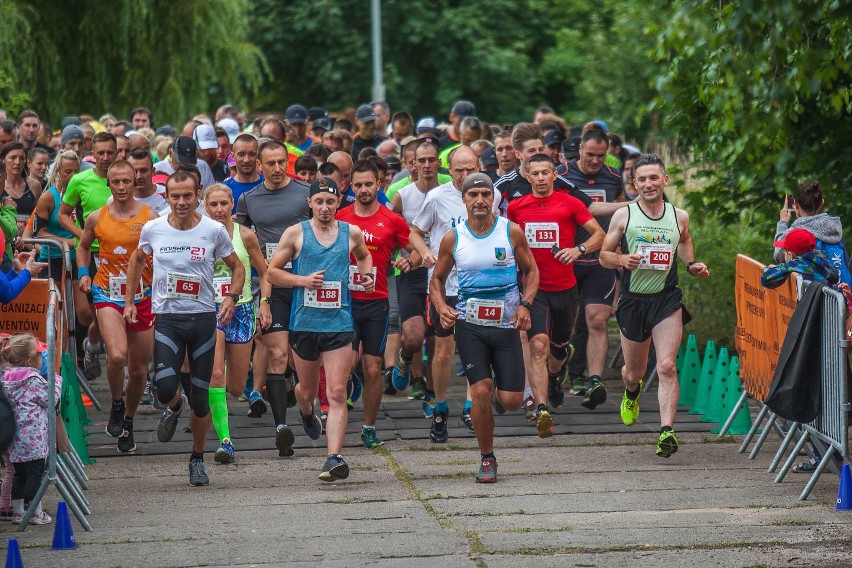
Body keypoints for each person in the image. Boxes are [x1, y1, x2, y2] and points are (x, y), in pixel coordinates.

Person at [124, 170, 245, 485]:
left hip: (204, 318)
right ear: (166, 196)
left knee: (202, 399)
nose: (180, 202)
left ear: (198, 194)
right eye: (174, 196)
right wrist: (130, 301)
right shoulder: (154, 229)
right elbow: (137, 259)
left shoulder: (213, 230)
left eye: (187, 196)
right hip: (168, 319)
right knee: (165, 388)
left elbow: (238, 267)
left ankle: (197, 459)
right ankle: (175, 407)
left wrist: (231, 297)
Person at [430, 173, 538, 482]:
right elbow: (436, 279)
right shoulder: (454, 237)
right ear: (463, 200)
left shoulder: (511, 232)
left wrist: (525, 304)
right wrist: (441, 308)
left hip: (506, 326)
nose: (479, 200)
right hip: (469, 325)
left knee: (511, 401)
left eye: (485, 194)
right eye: (472, 195)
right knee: (480, 390)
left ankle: (492, 402)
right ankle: (487, 457)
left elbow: (532, 271)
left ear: (494, 199)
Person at [600, 153, 710, 458]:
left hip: (666, 300)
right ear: (634, 183)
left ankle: (666, 431)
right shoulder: (624, 216)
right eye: (642, 179)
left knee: (666, 366)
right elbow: (603, 256)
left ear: (665, 180)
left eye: (653, 178)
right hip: (633, 302)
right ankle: (631, 393)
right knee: (633, 372)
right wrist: (622, 259)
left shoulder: (679, 216)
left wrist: (692, 265)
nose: (648, 184)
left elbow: (685, 240)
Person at [267, 177, 374, 481]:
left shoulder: (350, 232)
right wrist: (303, 281)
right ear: (309, 204)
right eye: (319, 202)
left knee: (337, 392)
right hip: (304, 324)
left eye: (330, 201)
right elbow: (272, 272)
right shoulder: (296, 234)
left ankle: (333, 458)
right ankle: (304, 411)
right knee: (308, 391)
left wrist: (365, 276)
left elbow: (364, 256)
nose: (325, 207)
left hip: (339, 322)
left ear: (339, 202)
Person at [507, 154, 606, 436]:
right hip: (534, 289)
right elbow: (509, 239)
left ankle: (554, 375)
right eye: (535, 173)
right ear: (527, 176)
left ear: (553, 175)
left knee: (558, 347)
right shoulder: (516, 208)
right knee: (537, 345)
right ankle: (541, 409)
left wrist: (579, 250)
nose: (540, 178)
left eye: (545, 173)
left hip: (565, 288)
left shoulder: (570, 203)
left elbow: (598, 234)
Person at [408, 146, 502, 442]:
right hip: (445, 287)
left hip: (481, 287)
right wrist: (424, 252)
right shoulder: (437, 197)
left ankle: (473, 405)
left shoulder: (491, 194)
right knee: (444, 352)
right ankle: (440, 405)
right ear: (448, 169)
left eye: (469, 169)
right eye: (458, 170)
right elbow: (414, 231)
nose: (464, 175)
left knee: (478, 350)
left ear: (479, 166)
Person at [335, 161, 419, 448]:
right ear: (350, 186)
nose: (363, 190)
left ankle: (368, 427)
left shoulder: (392, 219)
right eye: (357, 185)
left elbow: (415, 251)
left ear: (378, 184)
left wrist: (410, 261)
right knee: (346, 364)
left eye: (368, 184)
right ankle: (339, 411)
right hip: (343, 302)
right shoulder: (340, 217)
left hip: (376, 303)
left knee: (373, 368)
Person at [77, 160, 158, 453]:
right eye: (116, 182)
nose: (122, 187)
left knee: (138, 371)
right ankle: (116, 402)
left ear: (135, 181)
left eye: (127, 181)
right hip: (107, 293)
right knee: (117, 355)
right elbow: (83, 247)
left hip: (142, 296)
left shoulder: (151, 218)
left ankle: (128, 421)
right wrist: (84, 273)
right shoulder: (96, 218)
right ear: (108, 184)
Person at [236, 140, 310, 457]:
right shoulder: (249, 200)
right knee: (277, 353)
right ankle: (281, 428)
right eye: (271, 163)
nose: (277, 168)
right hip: (272, 283)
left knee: (306, 355)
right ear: (260, 165)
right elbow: (238, 241)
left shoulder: (306, 193)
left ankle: (308, 407)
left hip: (309, 283)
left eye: (282, 162)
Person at [203, 184, 271, 463]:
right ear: (205, 206)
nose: (219, 210)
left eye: (224, 204)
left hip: (242, 311)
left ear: (233, 205)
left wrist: (264, 303)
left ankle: (220, 381)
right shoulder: (199, 234)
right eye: (213, 204)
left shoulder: (245, 235)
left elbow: (265, 273)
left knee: (234, 386)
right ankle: (225, 442)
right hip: (210, 310)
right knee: (215, 374)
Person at [561, 128, 626, 398]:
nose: (595, 161)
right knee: (567, 324)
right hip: (567, 259)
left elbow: (623, 215)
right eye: (590, 155)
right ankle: (563, 373)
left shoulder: (613, 178)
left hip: (600, 260)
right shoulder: (560, 175)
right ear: (579, 150)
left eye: (601, 156)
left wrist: (621, 252)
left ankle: (594, 379)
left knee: (597, 319)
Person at [1, 332, 62, 524]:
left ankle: (18, 512)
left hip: (15, 439)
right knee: (35, 475)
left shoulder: (6, 381)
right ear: (30, 360)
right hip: (34, 438)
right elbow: (50, 399)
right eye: (38, 356)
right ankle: (35, 511)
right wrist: (57, 382)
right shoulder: (34, 381)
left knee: (19, 474)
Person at [762, 228, 838, 289]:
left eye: (784, 252)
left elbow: (765, 280)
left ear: (789, 255)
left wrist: (786, 266)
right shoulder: (822, 260)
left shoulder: (798, 264)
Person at [1, 141, 42, 217]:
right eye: (12, 158)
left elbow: (39, 216)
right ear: (3, 159)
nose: (17, 162)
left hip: (29, 228)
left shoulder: (34, 185)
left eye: (22, 158)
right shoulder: (1, 185)